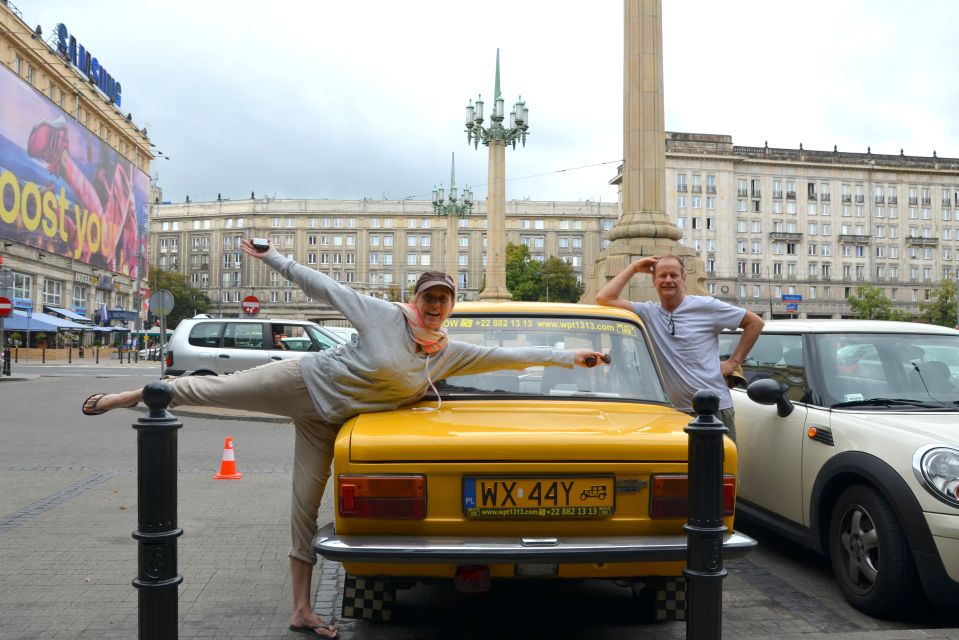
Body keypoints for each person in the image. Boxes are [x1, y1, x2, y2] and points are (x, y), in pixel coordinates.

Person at [81, 239, 610, 639]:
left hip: (329, 423)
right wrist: (273, 258)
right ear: (415, 298)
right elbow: (322, 288)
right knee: (220, 390)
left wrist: (572, 358)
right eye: (429, 296)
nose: (435, 305)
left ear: (452, 304)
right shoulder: (382, 316)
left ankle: (301, 610)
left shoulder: (447, 350)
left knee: (305, 506)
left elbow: (510, 357)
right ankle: (132, 395)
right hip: (304, 382)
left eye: (444, 298)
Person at [595, 254, 763, 440]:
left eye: (674, 275)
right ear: (654, 281)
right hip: (673, 414)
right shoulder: (648, 312)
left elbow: (755, 323)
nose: (668, 280)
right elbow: (604, 298)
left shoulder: (707, 306)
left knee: (720, 467)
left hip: (714, 410)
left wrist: (733, 362)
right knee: (678, 469)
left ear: (683, 279)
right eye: (662, 275)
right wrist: (634, 267)